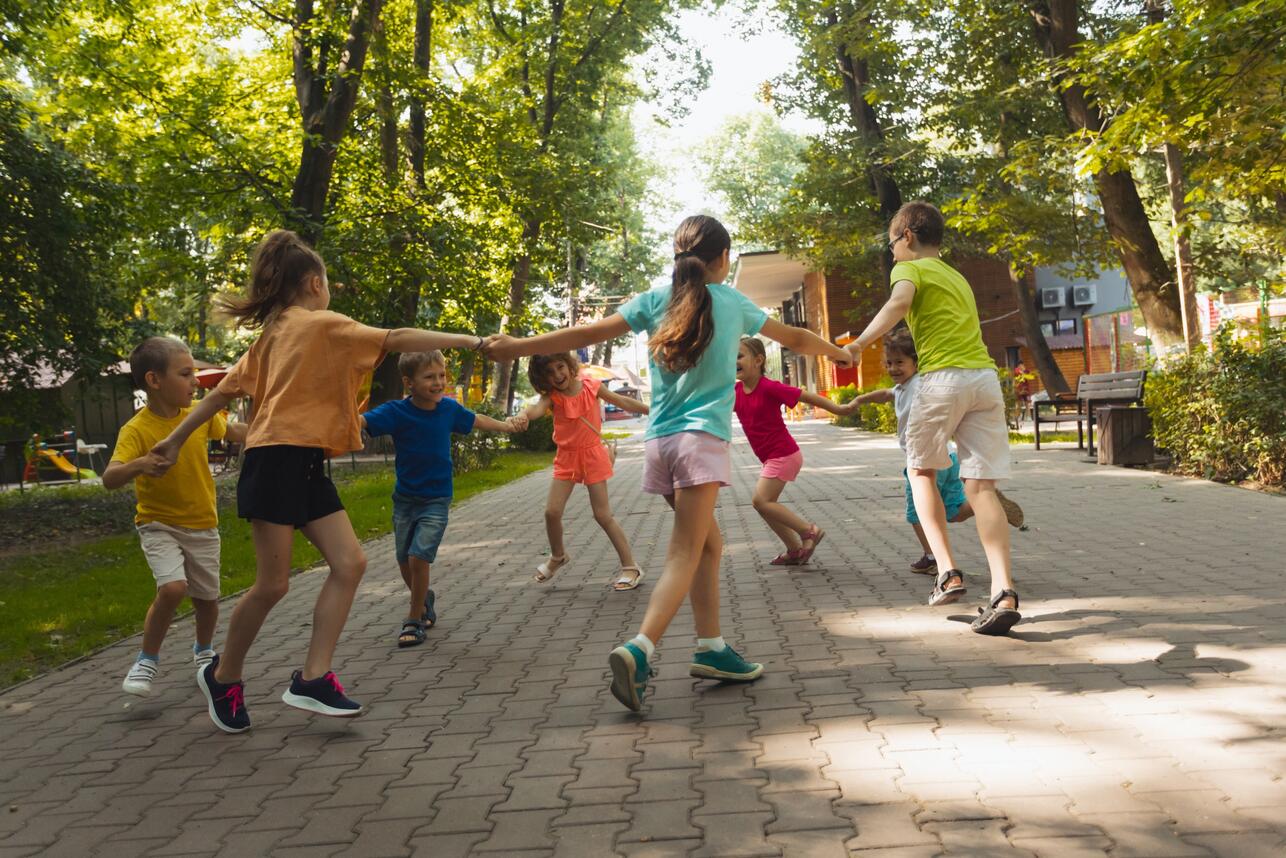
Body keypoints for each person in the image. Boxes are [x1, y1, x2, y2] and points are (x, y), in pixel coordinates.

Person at [487, 215, 853, 712]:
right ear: (722, 259)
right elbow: (795, 338)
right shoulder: (731, 302)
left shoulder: (654, 301)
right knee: (685, 552)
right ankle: (639, 649)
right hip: (700, 443)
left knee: (707, 546)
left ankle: (712, 649)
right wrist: (840, 353)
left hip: (660, 444)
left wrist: (517, 347)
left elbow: (581, 333)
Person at [151, 229, 489, 732]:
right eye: (327, 283)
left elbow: (216, 397)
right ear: (314, 283)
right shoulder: (317, 324)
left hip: (302, 462)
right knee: (272, 585)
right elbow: (394, 339)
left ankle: (312, 678)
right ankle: (224, 676)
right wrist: (473, 341)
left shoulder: (273, 336)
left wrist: (176, 439)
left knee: (350, 563)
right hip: (274, 462)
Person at [842, 201, 1022, 635]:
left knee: (920, 470)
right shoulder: (956, 275)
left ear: (906, 236)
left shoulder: (909, 270)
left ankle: (947, 572)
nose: (891, 255)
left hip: (942, 380)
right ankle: (1004, 591)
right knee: (981, 488)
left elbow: (898, 303)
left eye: (891, 245)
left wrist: (860, 343)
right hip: (983, 379)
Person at [104, 337, 247, 698]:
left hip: (203, 523)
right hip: (158, 524)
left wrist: (277, 430)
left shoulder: (199, 416)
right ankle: (147, 659)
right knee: (172, 587)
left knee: (207, 600)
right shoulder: (136, 430)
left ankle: (203, 653)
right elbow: (110, 478)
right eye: (186, 374)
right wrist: (140, 465)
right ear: (154, 380)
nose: (196, 382)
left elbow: (235, 432)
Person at [360, 350, 523, 647]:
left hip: (436, 498)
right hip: (405, 499)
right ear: (409, 382)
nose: (438, 383)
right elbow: (361, 422)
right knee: (403, 561)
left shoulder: (448, 409)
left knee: (418, 556)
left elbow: (476, 420)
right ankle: (424, 598)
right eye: (429, 377)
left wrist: (506, 426)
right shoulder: (396, 412)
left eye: (442, 376)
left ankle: (413, 618)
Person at [848, 328, 1024, 576]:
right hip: (948, 459)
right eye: (889, 363)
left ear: (916, 363)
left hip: (925, 460)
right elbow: (886, 394)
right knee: (952, 512)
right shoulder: (900, 389)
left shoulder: (921, 383)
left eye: (900, 362)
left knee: (917, 513)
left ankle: (932, 557)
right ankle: (984, 503)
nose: (893, 368)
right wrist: (859, 400)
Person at [519, 352, 650, 591]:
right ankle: (558, 556)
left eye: (560, 367)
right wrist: (521, 415)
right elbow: (535, 410)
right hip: (566, 458)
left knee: (602, 515)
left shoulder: (592, 386)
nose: (557, 375)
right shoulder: (552, 397)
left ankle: (631, 567)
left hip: (592, 456)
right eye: (550, 372)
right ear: (543, 378)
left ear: (569, 366)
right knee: (551, 512)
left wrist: (652, 411)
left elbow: (624, 402)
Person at [733, 336, 856, 566]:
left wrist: (838, 409)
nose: (733, 361)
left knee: (761, 501)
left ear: (758, 360)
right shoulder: (736, 391)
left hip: (784, 454)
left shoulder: (769, 387)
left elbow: (804, 396)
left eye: (739, 356)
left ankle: (808, 531)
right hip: (771, 456)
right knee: (766, 506)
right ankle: (795, 550)